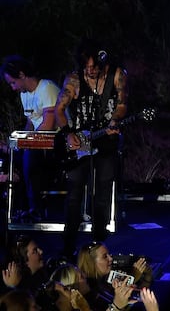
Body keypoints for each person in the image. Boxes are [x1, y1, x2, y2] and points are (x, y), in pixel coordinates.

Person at [54, 39, 128, 257]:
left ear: (102, 62)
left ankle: (98, 246)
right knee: (74, 194)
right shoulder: (74, 79)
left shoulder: (117, 75)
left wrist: (115, 120)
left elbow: (123, 104)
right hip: (80, 140)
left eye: (94, 67)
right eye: (86, 67)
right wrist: (68, 134)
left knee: (103, 193)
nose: (90, 71)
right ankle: (68, 247)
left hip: (106, 140)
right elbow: (59, 109)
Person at [1, 55, 61, 221]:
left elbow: (48, 125)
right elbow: (31, 123)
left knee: (29, 154)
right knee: (11, 156)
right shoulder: (24, 94)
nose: (13, 88)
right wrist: (17, 142)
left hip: (57, 141)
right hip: (39, 142)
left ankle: (36, 208)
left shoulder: (46, 88)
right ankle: (19, 207)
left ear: (21, 75)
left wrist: (26, 142)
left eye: (13, 82)